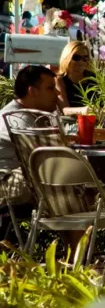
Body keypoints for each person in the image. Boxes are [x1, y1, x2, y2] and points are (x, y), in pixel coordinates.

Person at [0, 66, 62, 205]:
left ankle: (79, 224)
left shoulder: (30, 115)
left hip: (16, 179)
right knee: (59, 174)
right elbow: (46, 157)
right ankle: (78, 225)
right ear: (33, 91)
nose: (57, 93)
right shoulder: (18, 119)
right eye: (51, 88)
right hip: (5, 184)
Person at [55, 41, 94, 113]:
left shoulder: (93, 77)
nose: (81, 62)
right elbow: (64, 109)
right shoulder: (60, 80)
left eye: (85, 58)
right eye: (76, 57)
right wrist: (84, 110)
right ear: (67, 57)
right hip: (73, 122)